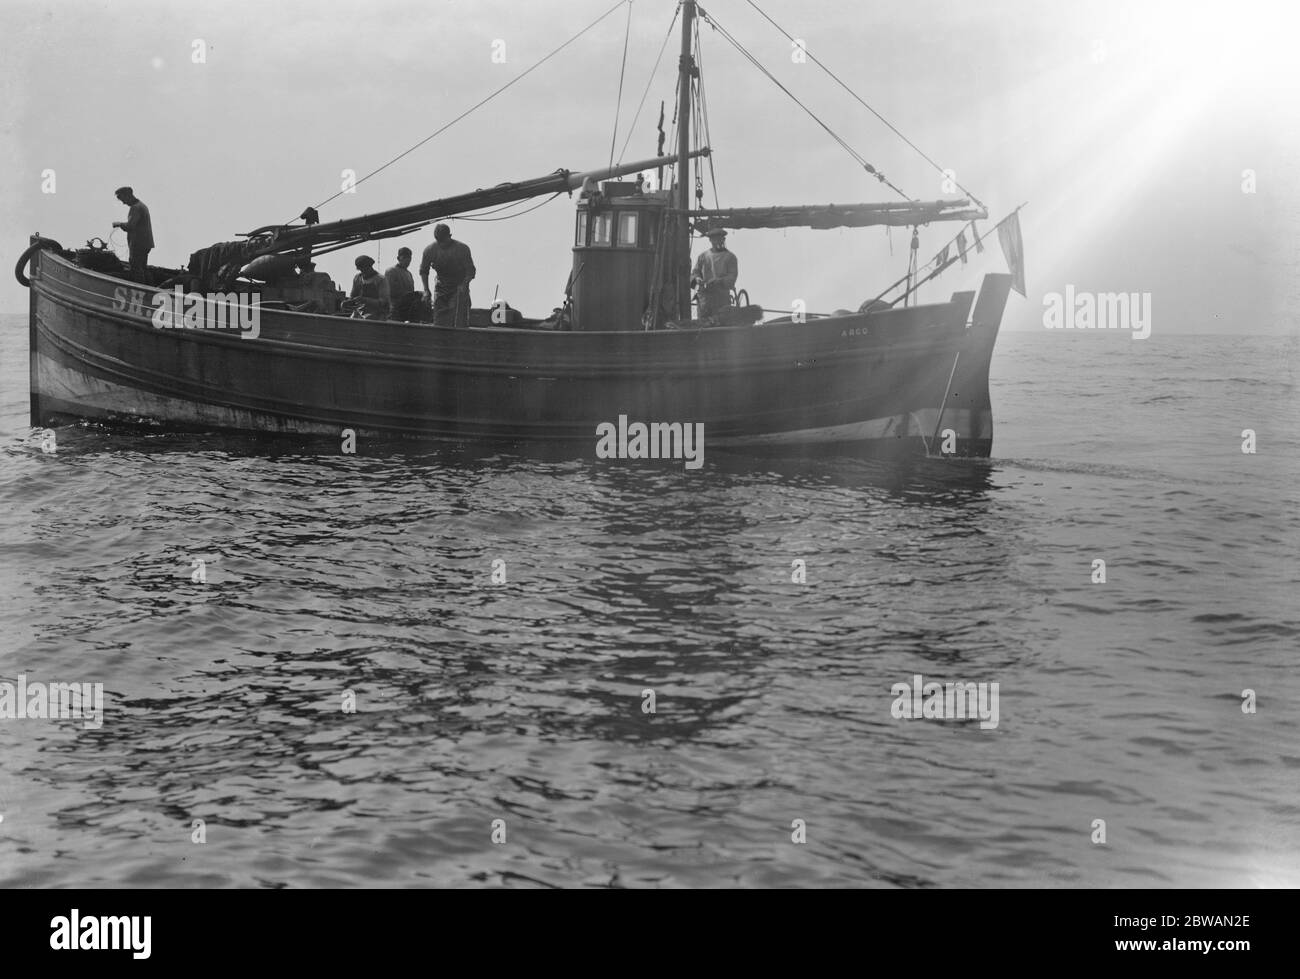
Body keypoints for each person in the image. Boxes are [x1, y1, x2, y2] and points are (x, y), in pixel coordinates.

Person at [420, 223, 475, 328]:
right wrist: (426, 290)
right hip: (441, 288)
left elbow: (470, 271)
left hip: (459, 286)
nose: (442, 245)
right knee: (440, 320)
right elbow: (424, 271)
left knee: (460, 321)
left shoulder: (462, 249)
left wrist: (464, 284)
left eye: (444, 241)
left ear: (450, 236)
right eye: (439, 241)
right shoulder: (430, 250)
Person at [691, 227, 738, 318]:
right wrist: (697, 279)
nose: (717, 242)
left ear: (723, 239)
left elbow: (732, 278)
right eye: (714, 239)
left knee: (721, 325)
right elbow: (694, 274)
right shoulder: (703, 257)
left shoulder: (730, 257)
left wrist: (719, 281)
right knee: (703, 326)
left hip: (722, 299)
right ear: (710, 240)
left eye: (720, 239)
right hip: (704, 300)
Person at [112, 186, 154, 281]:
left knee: (136, 268)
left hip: (138, 244)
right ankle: (149, 288)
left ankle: (140, 288)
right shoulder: (142, 205)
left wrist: (119, 224)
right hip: (146, 243)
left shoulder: (135, 208)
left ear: (128, 196)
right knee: (143, 267)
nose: (123, 202)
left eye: (122, 199)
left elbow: (130, 226)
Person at [384, 247, 421, 320]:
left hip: (407, 310)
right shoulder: (391, 271)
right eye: (404, 257)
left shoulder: (409, 274)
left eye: (409, 258)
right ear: (398, 258)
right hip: (395, 309)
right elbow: (389, 291)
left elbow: (411, 291)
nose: (407, 260)